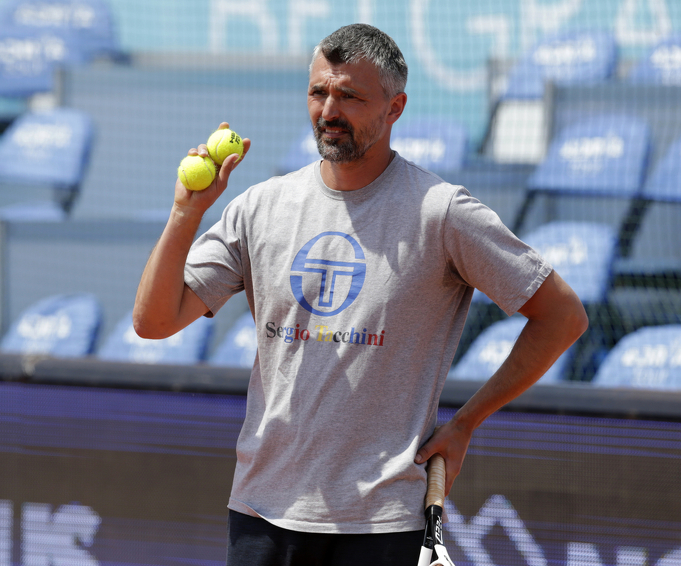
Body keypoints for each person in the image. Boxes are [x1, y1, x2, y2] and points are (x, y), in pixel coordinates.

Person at [134, 23, 588, 566]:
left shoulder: (441, 212)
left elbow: (562, 316)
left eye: (350, 95)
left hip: (380, 525)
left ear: (394, 109)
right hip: (259, 514)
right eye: (319, 91)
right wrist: (187, 212)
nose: (329, 110)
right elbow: (154, 323)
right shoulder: (260, 207)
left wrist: (465, 423)